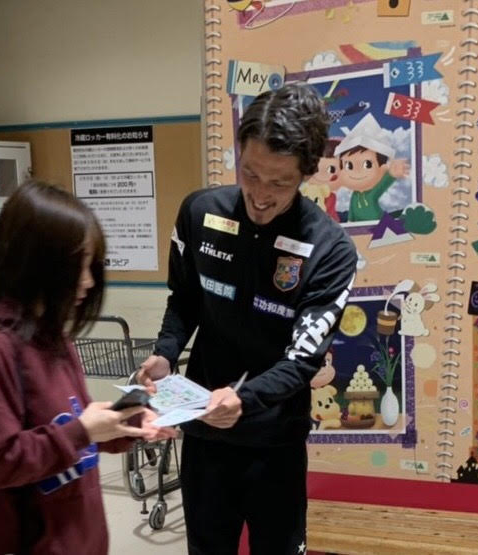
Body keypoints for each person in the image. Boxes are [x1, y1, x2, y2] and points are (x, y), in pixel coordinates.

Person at [138, 83, 358, 555]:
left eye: (279, 183)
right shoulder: (200, 212)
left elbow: (303, 360)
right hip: (203, 432)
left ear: (306, 174)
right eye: (250, 174)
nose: (259, 195)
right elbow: (185, 300)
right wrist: (165, 353)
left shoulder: (330, 250)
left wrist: (244, 398)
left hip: (274, 442)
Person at [0, 181, 172, 555]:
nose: (88, 281)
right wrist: (81, 431)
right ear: (36, 263)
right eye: (78, 266)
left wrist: (131, 423)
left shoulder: (54, 340)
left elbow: (73, 425)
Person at [334, 113, 410, 222]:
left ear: (382, 168)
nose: (357, 171)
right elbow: (352, 212)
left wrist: (391, 174)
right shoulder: (355, 195)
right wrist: (350, 223)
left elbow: (382, 185)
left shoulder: (371, 193)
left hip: (377, 223)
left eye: (367, 164)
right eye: (348, 166)